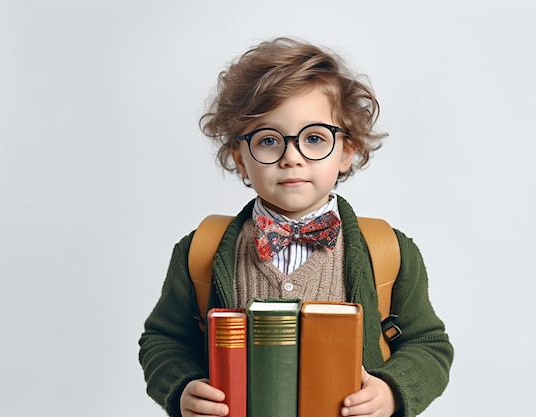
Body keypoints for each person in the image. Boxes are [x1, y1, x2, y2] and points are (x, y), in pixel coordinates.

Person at [139, 37, 453, 417]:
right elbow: (163, 340)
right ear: (240, 157)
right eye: (269, 140)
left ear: (347, 150)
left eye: (315, 138)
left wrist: (391, 391)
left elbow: (428, 344)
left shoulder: (388, 251)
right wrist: (182, 387)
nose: (292, 157)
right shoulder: (200, 250)